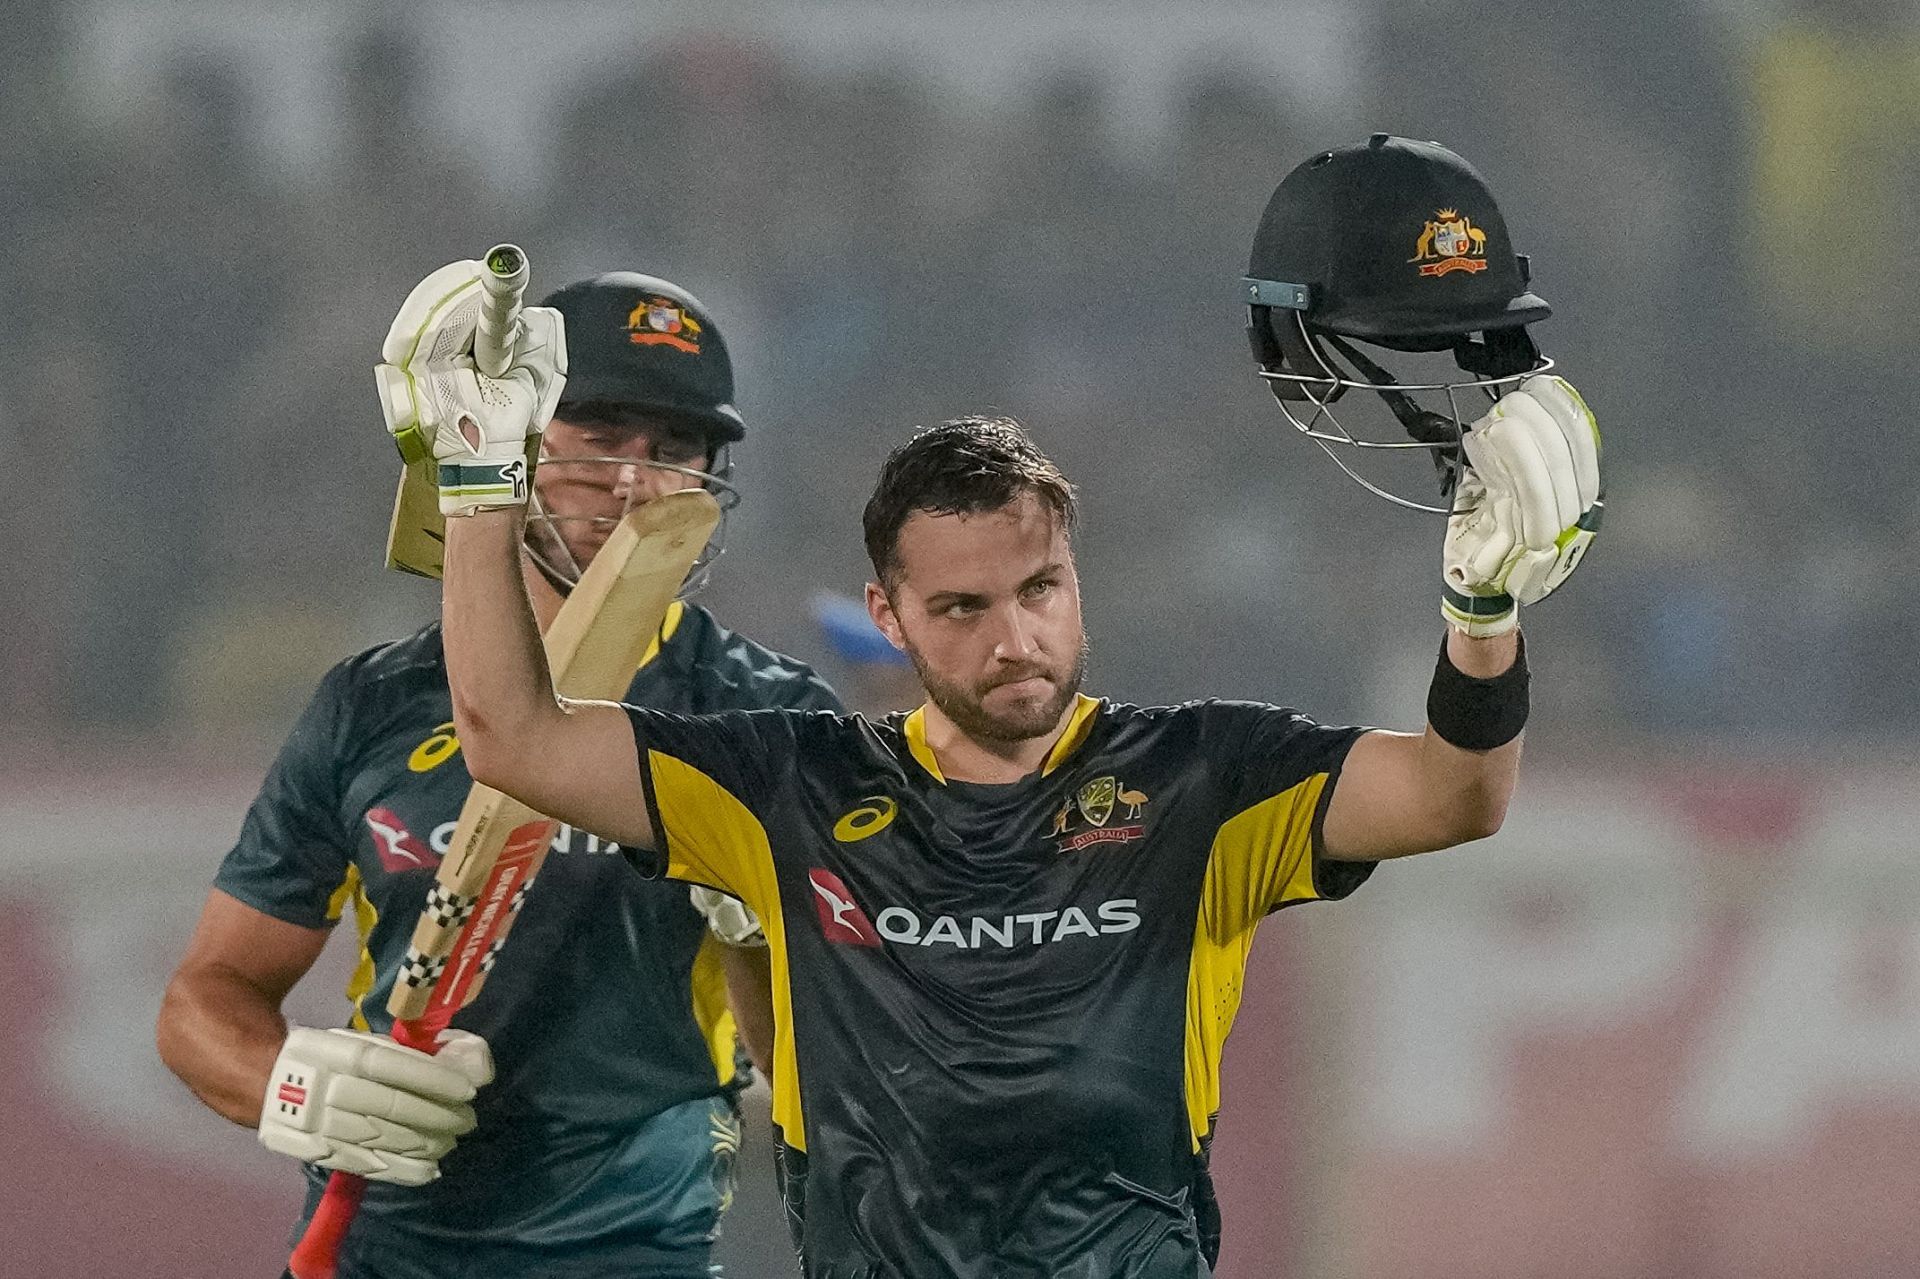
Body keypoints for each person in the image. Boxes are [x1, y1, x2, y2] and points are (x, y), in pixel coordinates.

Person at [407, 137, 1602, 1276]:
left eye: (1039, 590)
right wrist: (474, 484)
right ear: (891, 615)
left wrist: (1482, 617)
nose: (1015, 639)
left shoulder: (1206, 775)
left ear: (1077, 579)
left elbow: (1457, 791)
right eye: (964, 607)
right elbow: (513, 736)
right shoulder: (787, 791)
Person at [156, 267, 839, 1279]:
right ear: (514, 439)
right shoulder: (373, 703)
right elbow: (205, 999)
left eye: (676, 447)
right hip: (383, 1246)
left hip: (637, 1245)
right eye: (599, 433)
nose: (636, 482)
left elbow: (833, 1081)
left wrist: (756, 951)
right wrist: (293, 1088)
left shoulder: (771, 719)